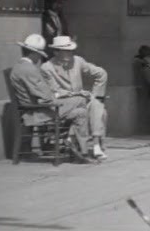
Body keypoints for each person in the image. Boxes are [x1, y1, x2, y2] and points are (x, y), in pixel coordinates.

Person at [10, 34, 96, 163]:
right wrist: (64, 95)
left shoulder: (20, 67)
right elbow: (46, 97)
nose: (39, 58)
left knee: (81, 112)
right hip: (37, 112)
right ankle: (78, 148)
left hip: (39, 108)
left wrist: (62, 95)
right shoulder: (29, 70)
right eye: (39, 54)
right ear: (34, 54)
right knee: (81, 100)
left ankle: (77, 149)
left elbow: (41, 93)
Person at [41, 35, 109, 160]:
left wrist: (95, 95)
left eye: (71, 50)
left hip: (81, 101)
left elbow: (101, 74)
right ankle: (95, 144)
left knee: (97, 105)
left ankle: (93, 144)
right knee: (99, 111)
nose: (69, 53)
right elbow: (55, 91)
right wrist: (76, 94)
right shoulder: (47, 68)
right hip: (63, 105)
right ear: (56, 52)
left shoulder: (77, 61)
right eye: (66, 50)